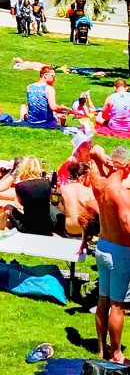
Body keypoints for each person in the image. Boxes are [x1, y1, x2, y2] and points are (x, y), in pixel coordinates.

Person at [90, 144, 130, 363]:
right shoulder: (121, 194)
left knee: (102, 300)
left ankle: (101, 349)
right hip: (120, 253)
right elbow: (127, 225)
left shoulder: (100, 185)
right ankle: (116, 354)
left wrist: (100, 158)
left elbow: (94, 151)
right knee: (117, 305)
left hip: (102, 247)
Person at [58, 162, 97, 237]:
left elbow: (61, 208)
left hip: (69, 228)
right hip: (84, 229)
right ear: (83, 177)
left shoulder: (63, 189)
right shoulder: (89, 191)